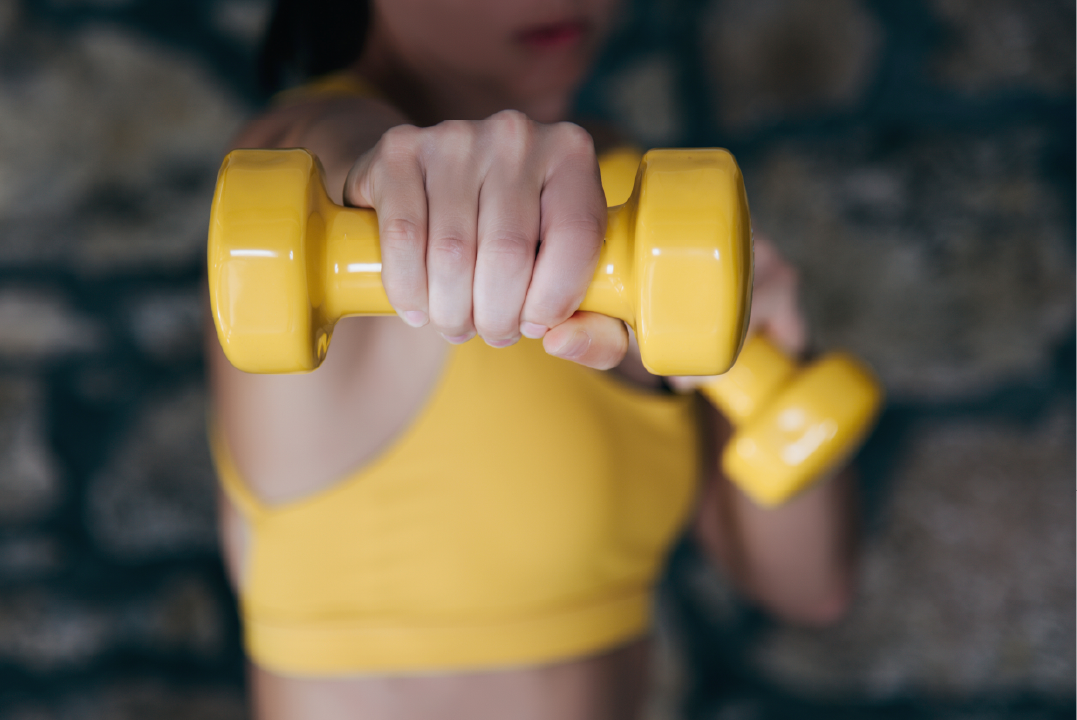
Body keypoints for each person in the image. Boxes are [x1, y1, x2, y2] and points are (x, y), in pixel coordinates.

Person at [207, 1, 858, 718]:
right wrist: (394, 180)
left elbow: (806, 586)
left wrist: (774, 356)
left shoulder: (624, 186)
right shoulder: (301, 163)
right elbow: (333, 153)